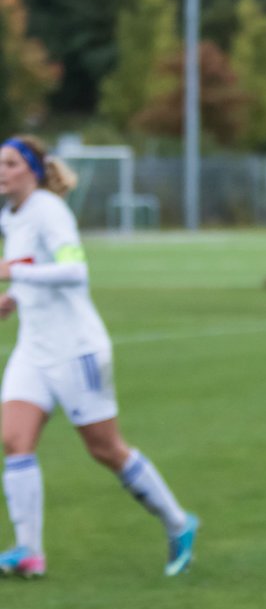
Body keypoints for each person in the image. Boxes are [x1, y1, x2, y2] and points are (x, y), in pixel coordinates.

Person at [0, 135, 198, 579]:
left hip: (76, 350)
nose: (1, 171)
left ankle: (179, 523)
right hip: (34, 350)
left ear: (32, 169)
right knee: (14, 439)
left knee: (106, 449)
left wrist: (16, 272)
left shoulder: (50, 211)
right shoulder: (12, 217)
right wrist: (14, 296)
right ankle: (29, 552)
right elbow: (34, 265)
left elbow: (75, 270)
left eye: (10, 163)